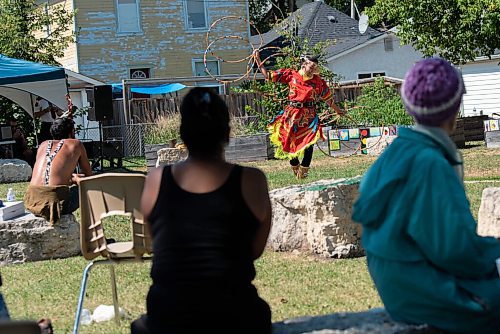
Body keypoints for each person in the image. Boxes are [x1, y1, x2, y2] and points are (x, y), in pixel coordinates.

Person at [352, 58, 500, 333]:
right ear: (456, 106)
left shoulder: (395, 153)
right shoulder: (430, 164)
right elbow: (455, 251)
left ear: (409, 105)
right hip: (430, 295)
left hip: (400, 289)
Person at [132, 87, 272, 334]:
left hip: (167, 316)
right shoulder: (253, 180)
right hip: (236, 315)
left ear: (182, 135)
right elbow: (253, 251)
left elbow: (159, 244)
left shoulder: (155, 180)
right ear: (227, 133)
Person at [254, 50, 343, 179]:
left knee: (310, 141)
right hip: (292, 114)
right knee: (289, 140)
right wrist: (257, 60)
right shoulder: (291, 75)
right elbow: (268, 75)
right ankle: (294, 165)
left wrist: (337, 110)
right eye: (311, 67)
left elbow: (327, 98)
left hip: (309, 115)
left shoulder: (318, 82)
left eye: (314, 67)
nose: (313, 69)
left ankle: (304, 170)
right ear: (303, 65)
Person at [24, 117, 92, 224]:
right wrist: (74, 178)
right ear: (72, 132)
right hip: (55, 203)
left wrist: (71, 178)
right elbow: (88, 176)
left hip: (32, 201)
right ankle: (95, 234)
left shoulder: (43, 145)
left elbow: (48, 175)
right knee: (89, 188)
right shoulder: (76, 144)